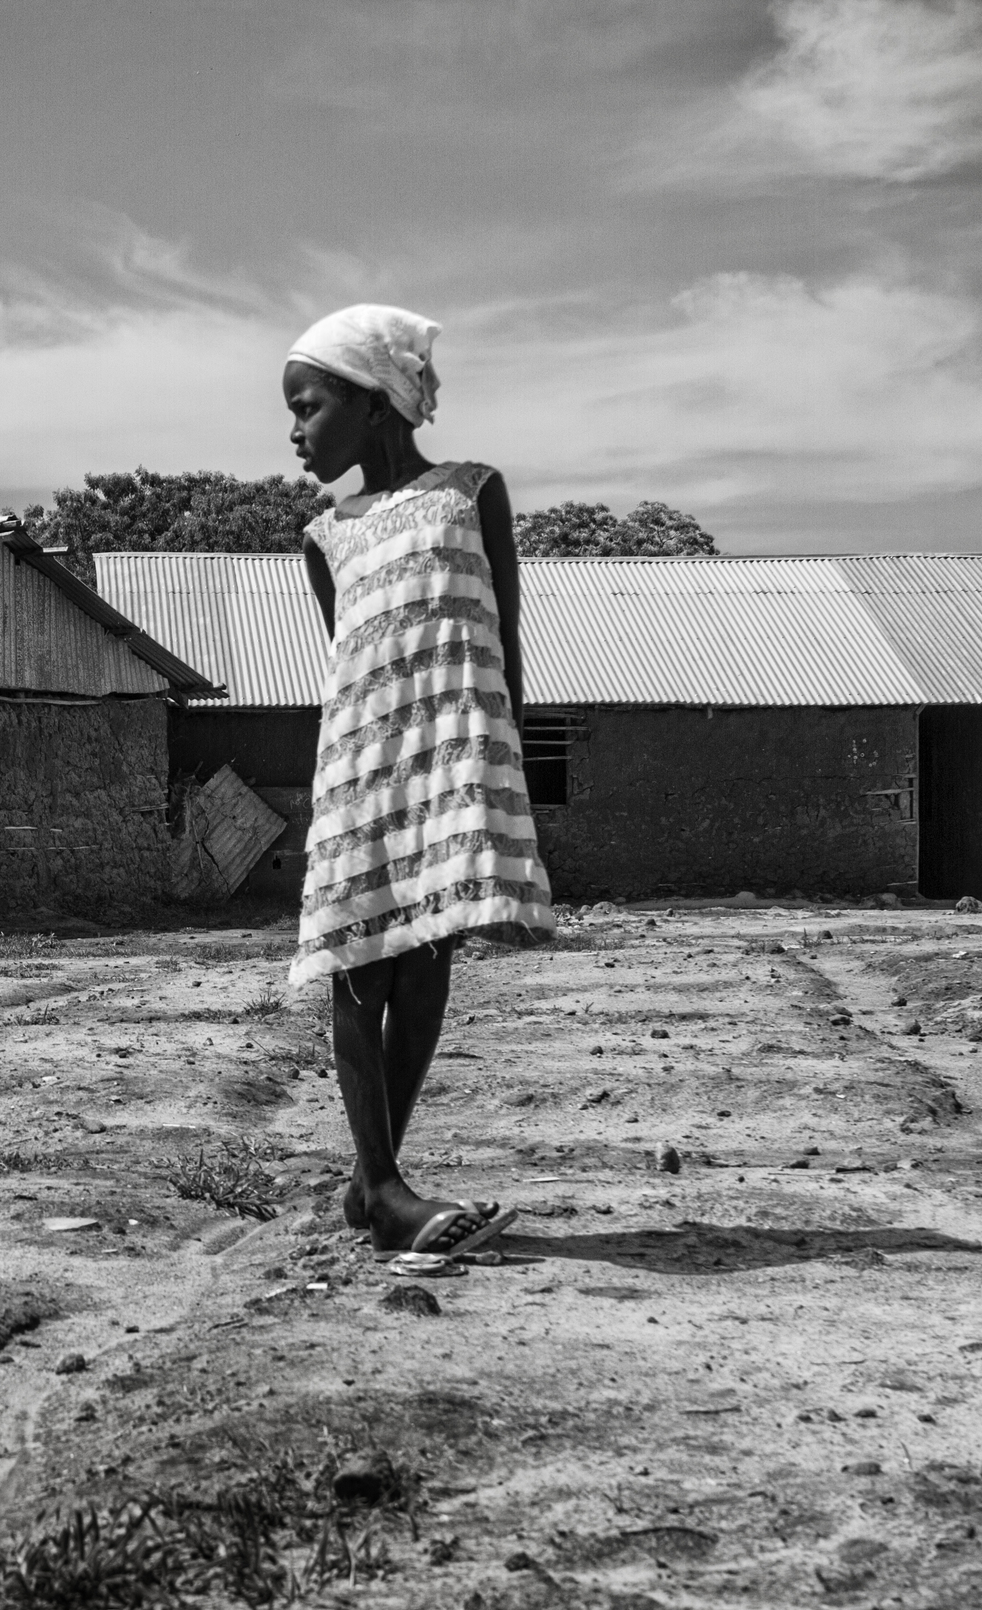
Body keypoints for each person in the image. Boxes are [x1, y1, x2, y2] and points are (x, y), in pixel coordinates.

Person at [280, 303, 555, 1255]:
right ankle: (386, 1186)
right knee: (360, 962)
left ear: (373, 399)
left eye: (309, 406)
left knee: (428, 950)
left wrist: (493, 763)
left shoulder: (472, 493)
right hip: (363, 767)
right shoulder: (327, 536)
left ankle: (373, 1187)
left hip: (452, 757)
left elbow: (501, 643)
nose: (296, 431)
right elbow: (357, 664)